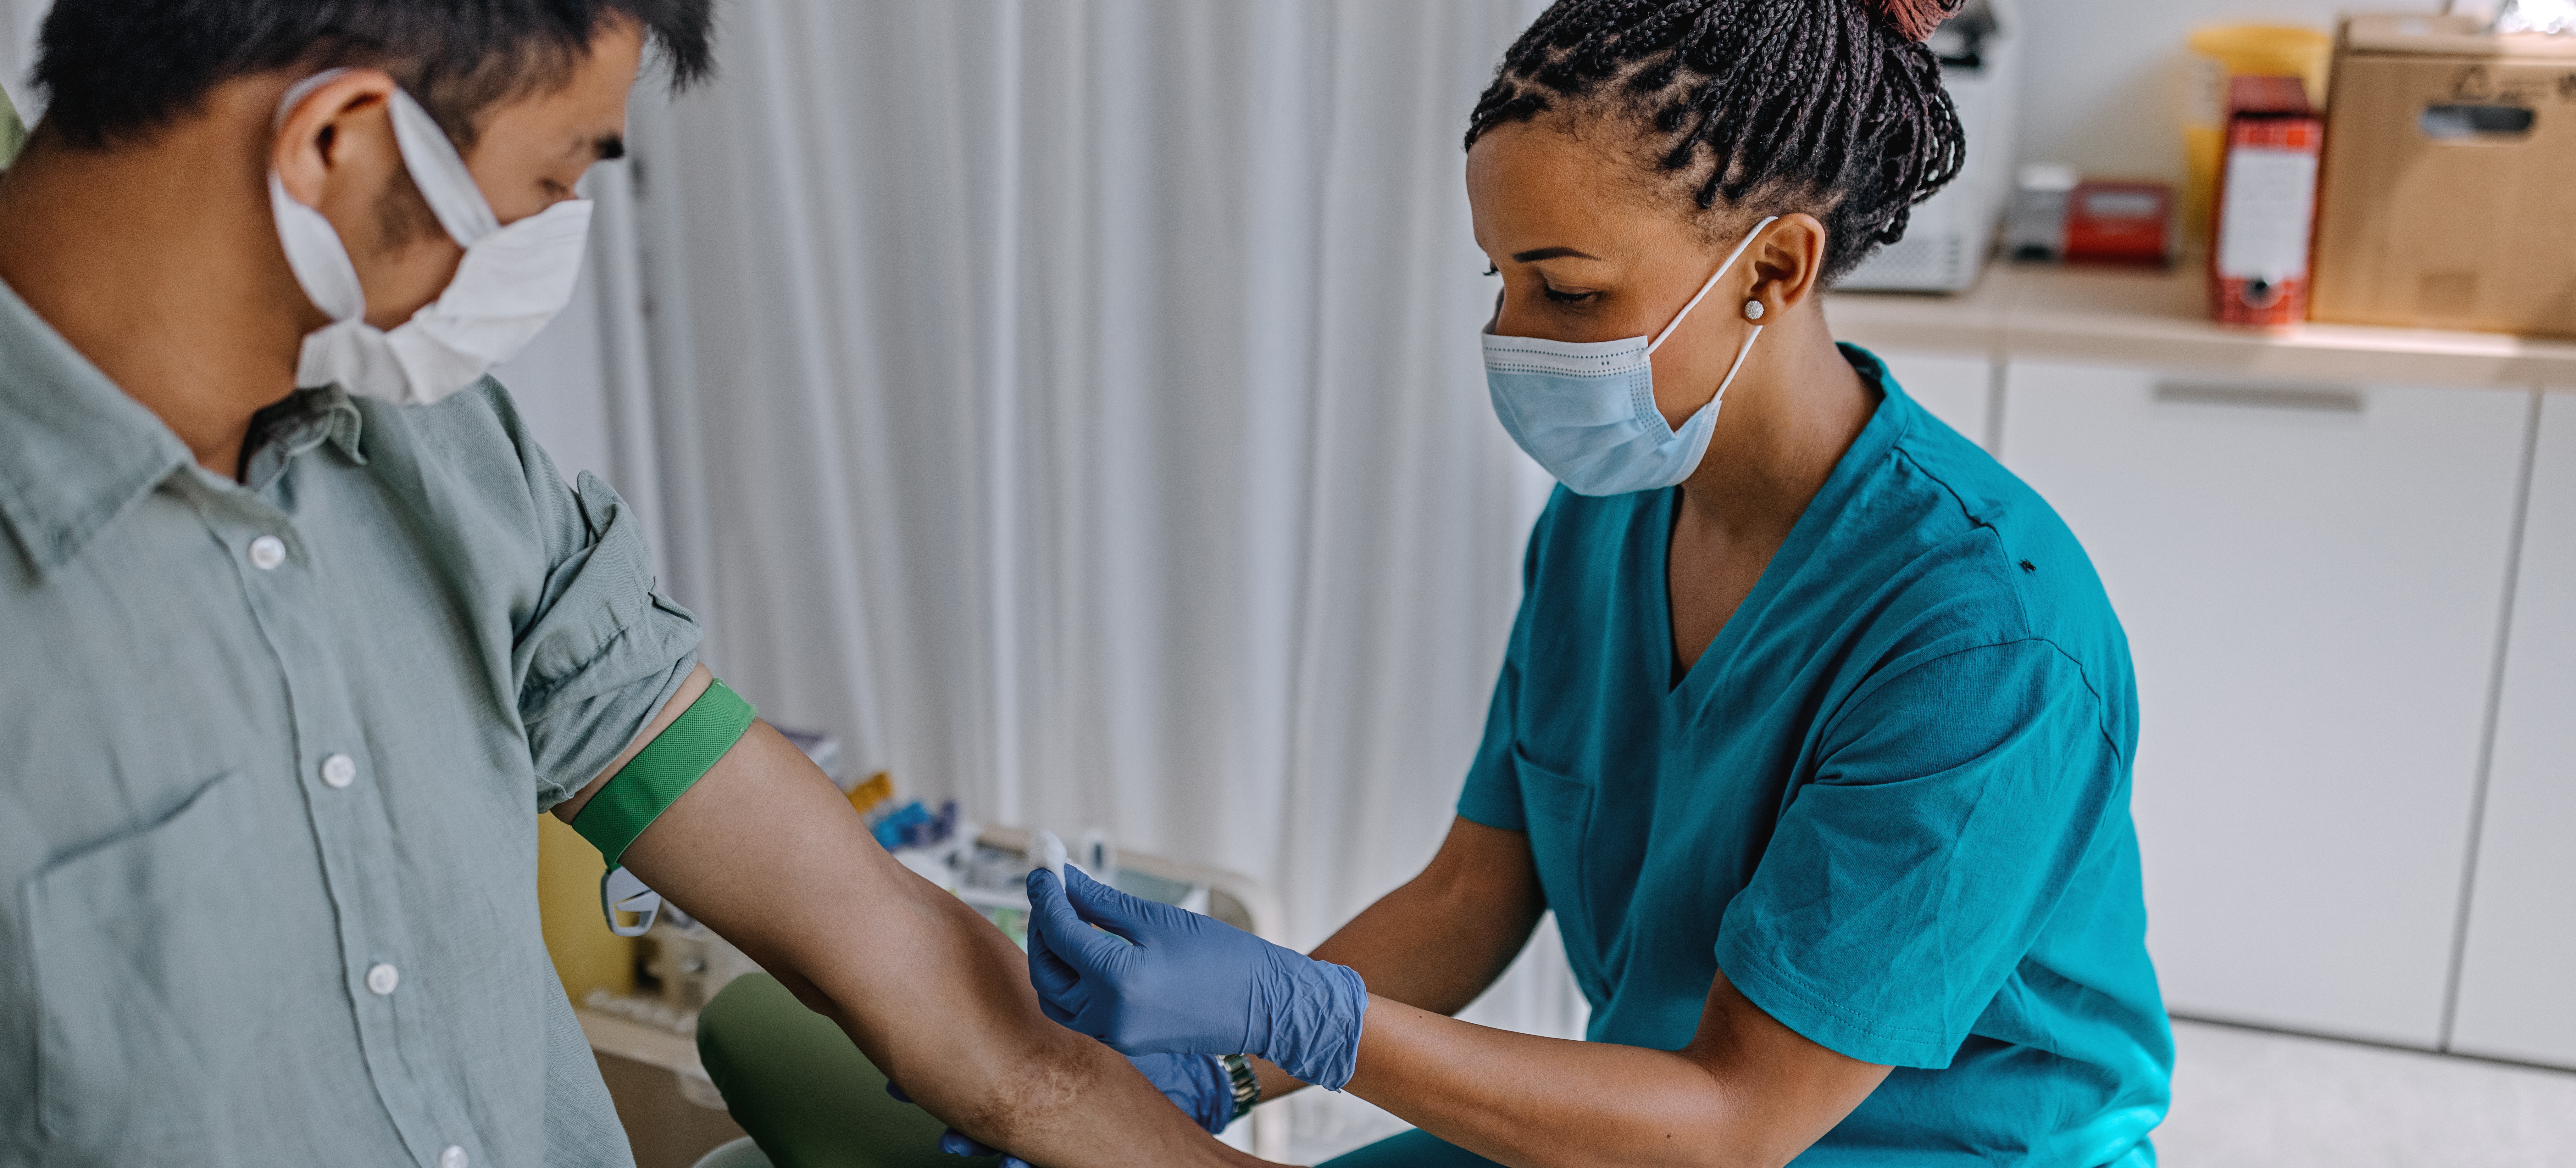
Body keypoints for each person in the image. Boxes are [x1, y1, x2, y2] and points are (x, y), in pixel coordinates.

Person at [0, 4, 1262, 1166]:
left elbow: (885, 947)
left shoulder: (444, 457)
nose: (550, 239)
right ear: (339, 140)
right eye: (550, 179)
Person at [1020, 0, 2175, 1164]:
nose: (1511, 338)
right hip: (1648, 1109)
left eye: (1568, 294)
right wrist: (1219, 1064)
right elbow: (1470, 894)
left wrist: (1297, 1011)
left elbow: (1738, 1119)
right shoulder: (1606, 523)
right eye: (1502, 282)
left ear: (1773, 267)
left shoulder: (1987, 643)